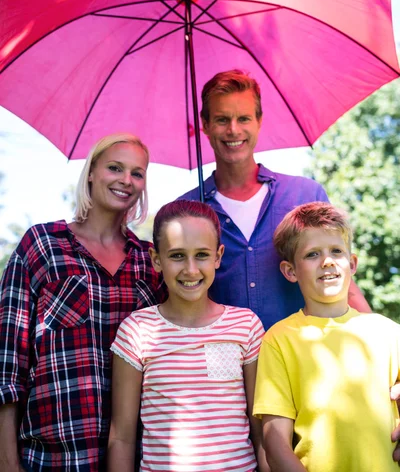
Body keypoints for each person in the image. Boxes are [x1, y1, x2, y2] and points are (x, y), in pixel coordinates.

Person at [0, 133, 166, 472]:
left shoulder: (149, 263)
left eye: (137, 173)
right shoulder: (42, 246)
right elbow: (6, 364)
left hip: (136, 459)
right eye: (115, 168)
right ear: (91, 172)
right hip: (52, 459)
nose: (126, 180)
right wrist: (6, 462)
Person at [180, 70, 370, 330]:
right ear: (205, 124)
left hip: (303, 360)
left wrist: (379, 340)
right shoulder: (187, 213)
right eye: (222, 119)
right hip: (224, 366)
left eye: (243, 118)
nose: (233, 130)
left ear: (259, 121)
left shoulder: (305, 195)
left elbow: (340, 279)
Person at [108, 200, 269, 472]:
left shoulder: (246, 326)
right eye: (177, 256)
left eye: (202, 255)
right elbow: (122, 437)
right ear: (156, 259)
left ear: (218, 256)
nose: (191, 269)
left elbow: (260, 429)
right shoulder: (136, 330)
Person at [253, 202, 400, 472]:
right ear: (290, 271)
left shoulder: (389, 332)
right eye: (312, 254)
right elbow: (274, 442)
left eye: (336, 251)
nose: (327, 261)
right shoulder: (279, 340)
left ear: (352, 263)